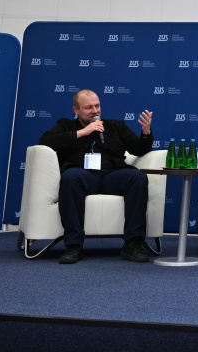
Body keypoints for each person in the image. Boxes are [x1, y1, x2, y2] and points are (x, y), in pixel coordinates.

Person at [38, 89, 154, 264]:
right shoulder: (65, 125)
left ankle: (132, 244)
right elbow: (46, 142)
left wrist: (145, 133)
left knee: (137, 178)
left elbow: (139, 149)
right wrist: (83, 132)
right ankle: (74, 246)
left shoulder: (115, 126)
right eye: (89, 108)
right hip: (82, 174)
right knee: (70, 177)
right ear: (76, 110)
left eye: (97, 106)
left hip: (112, 174)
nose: (95, 111)